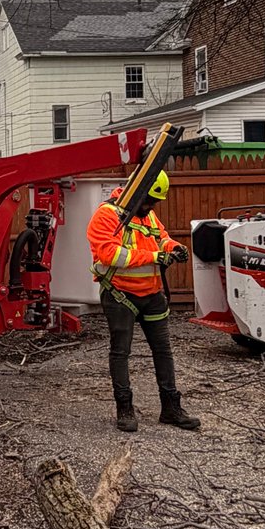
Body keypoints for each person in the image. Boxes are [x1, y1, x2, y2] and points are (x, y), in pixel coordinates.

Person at [86, 169, 200, 433]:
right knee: (121, 352)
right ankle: (124, 408)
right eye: (148, 200)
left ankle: (171, 407)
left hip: (152, 294)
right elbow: (110, 254)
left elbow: (162, 238)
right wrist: (155, 258)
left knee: (163, 351)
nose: (151, 206)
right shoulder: (106, 216)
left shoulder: (147, 214)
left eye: (154, 202)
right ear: (136, 191)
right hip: (120, 294)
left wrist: (174, 248)